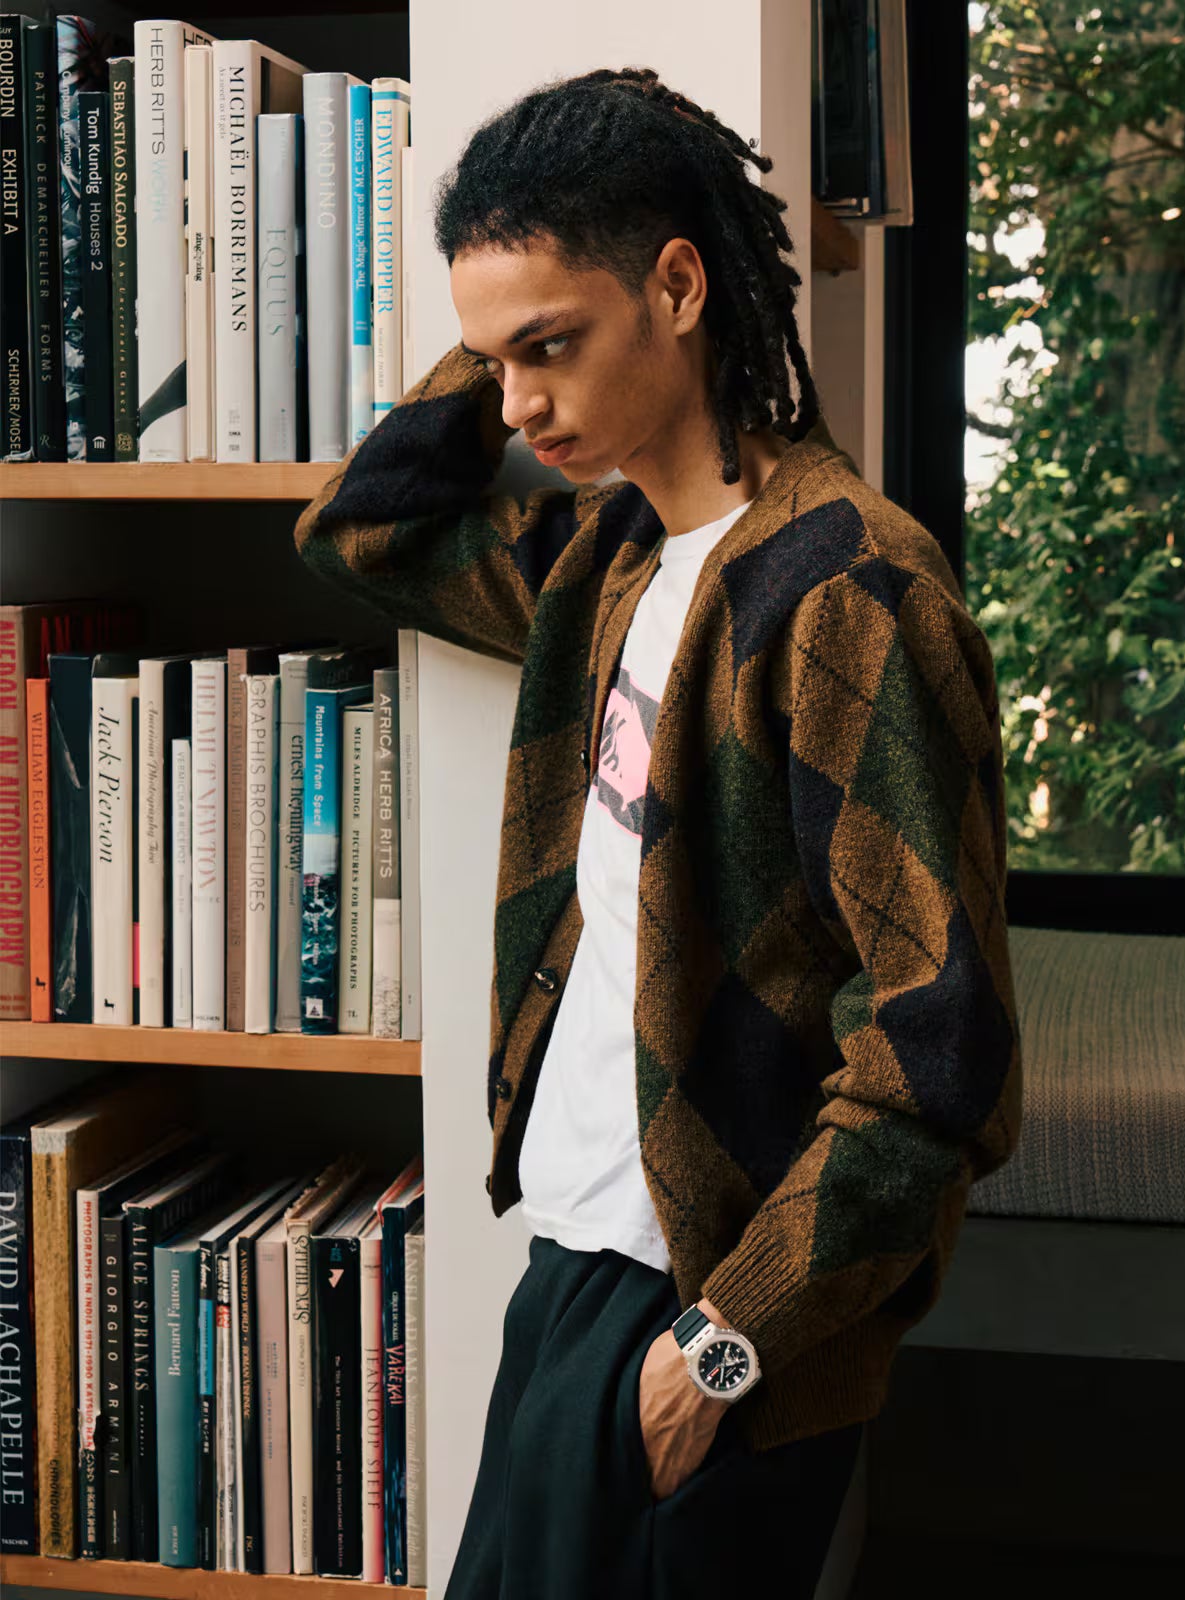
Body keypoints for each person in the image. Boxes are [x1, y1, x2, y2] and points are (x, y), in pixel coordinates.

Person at [294, 65, 1022, 1600]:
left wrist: (727, 1345)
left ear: (679, 284)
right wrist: (515, 293)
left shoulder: (844, 597)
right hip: (575, 1261)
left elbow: (940, 1054)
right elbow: (364, 525)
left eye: (552, 347)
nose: (517, 409)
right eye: (497, 365)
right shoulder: (608, 560)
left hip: (700, 1303)